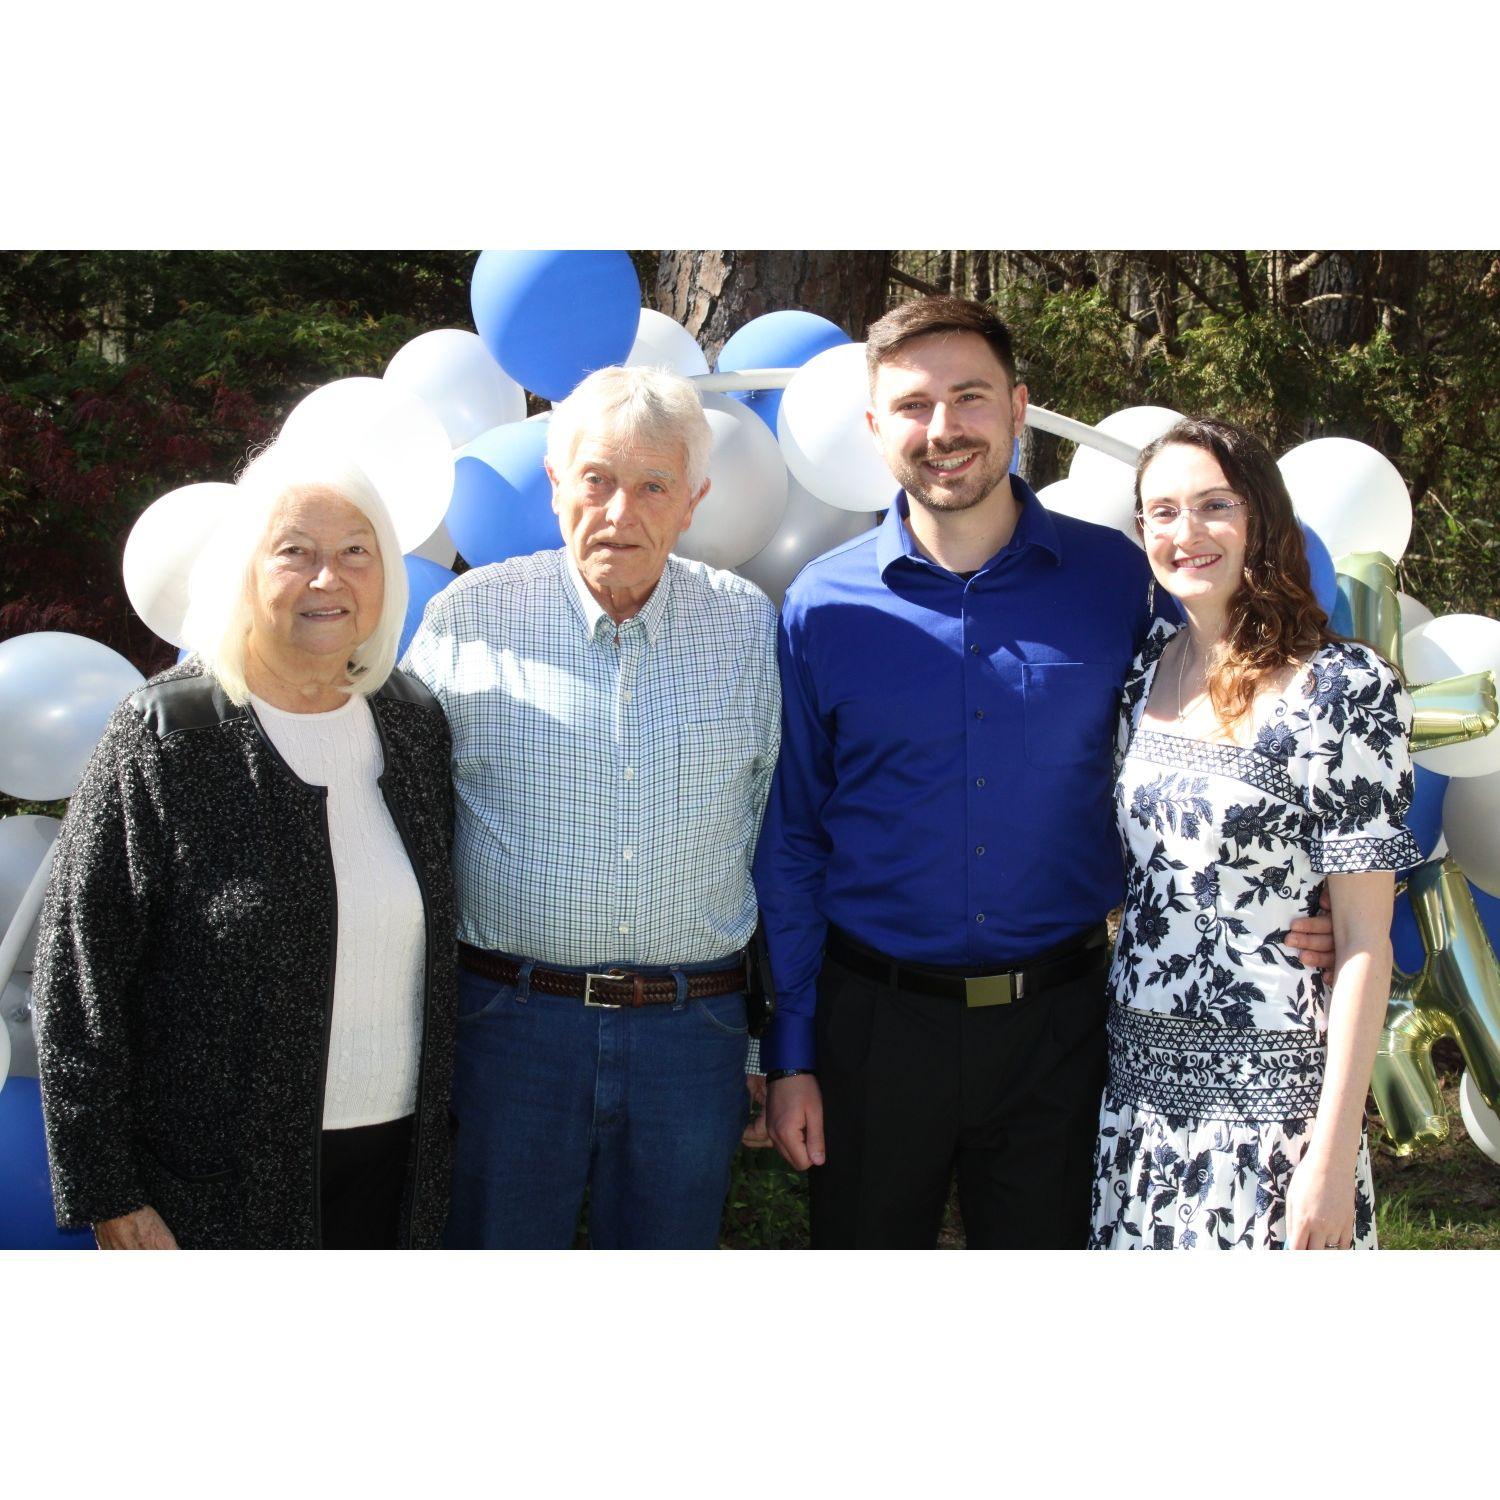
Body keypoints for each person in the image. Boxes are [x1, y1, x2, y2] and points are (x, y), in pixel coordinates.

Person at [755, 296, 1332, 1249]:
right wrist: (793, 1054)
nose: (943, 430)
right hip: (873, 1033)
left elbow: (1242, 723)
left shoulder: (1121, 580)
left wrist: (1302, 894)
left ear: (1019, 408)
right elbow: (795, 840)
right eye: (912, 406)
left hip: (1063, 1035)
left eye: (970, 397)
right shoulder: (821, 605)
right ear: (873, 429)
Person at [32, 443, 458, 1249]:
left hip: (399, 1169)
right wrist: (108, 1190)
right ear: (245, 569)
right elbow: (79, 977)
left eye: (354, 553)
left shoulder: (412, 723)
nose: (327, 579)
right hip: (210, 1188)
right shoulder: (167, 734)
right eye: (295, 552)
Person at [402, 363, 780, 1250]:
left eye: (653, 486)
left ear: (694, 500)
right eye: (597, 481)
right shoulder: (470, 617)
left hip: (694, 1037)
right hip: (509, 1028)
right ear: (554, 485)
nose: (620, 513)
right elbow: (402, 824)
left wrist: (769, 1047)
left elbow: (779, 839)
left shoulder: (748, 628)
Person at [1088, 418, 1416, 1250]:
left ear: (1262, 521)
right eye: (1161, 512)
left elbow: (1366, 939)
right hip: (1141, 1102)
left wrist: (1331, 1159)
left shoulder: (1343, 689)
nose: (1184, 533)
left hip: (1277, 1116)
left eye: (1213, 505)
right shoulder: (1143, 672)